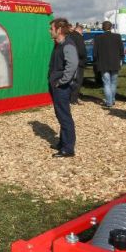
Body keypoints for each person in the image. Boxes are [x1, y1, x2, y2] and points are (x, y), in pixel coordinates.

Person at [48, 18, 79, 158]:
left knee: (64, 116)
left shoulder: (68, 45)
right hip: (57, 85)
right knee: (60, 114)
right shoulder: (59, 44)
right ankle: (63, 142)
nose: (50, 31)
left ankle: (68, 148)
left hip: (62, 87)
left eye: (51, 29)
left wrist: (62, 81)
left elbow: (72, 65)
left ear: (59, 30)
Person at [93, 21, 124, 108]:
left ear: (103, 27)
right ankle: (112, 99)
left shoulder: (98, 38)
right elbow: (121, 49)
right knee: (113, 82)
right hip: (115, 62)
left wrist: (95, 61)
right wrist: (121, 59)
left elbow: (95, 53)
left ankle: (109, 102)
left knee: (106, 83)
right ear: (111, 27)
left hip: (103, 63)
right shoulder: (117, 36)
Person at [67, 23, 87, 104]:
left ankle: (68, 97)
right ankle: (74, 99)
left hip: (70, 60)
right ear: (80, 30)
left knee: (70, 79)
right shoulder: (79, 37)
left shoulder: (69, 36)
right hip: (79, 61)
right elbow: (82, 51)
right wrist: (84, 58)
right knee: (78, 80)